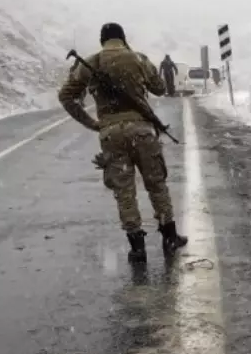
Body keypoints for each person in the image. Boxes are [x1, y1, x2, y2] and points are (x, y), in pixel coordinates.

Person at [58, 23, 187, 263]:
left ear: (102, 41)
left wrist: (93, 123)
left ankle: (137, 246)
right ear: (123, 38)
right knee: (156, 184)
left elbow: (66, 96)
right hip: (142, 131)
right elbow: (159, 89)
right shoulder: (137, 58)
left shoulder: (91, 63)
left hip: (110, 135)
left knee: (124, 191)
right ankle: (169, 236)